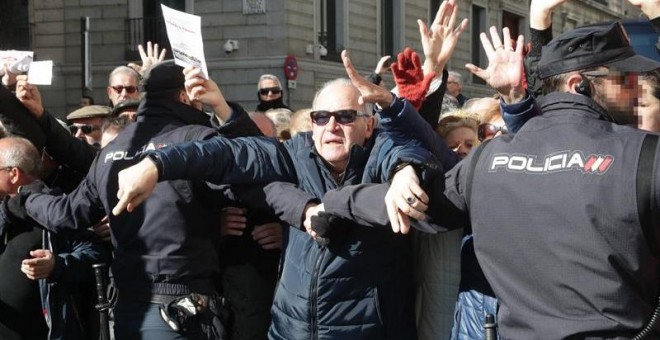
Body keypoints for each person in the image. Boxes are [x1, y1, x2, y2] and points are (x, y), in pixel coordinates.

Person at [388, 21, 660, 338]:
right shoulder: (488, 162)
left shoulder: (643, 156)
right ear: (579, 84)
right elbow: (421, 198)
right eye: (625, 80)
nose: (636, 88)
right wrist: (403, 167)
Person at [6, 60, 263, 339]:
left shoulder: (112, 150)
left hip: (131, 309)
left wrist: (28, 194)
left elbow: (65, 214)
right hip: (181, 306)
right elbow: (262, 163)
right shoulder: (198, 140)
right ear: (183, 96)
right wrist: (223, 109)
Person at [0, 137, 107, 340]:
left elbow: (97, 258)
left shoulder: (58, 212)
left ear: (13, 174)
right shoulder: (4, 211)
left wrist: (57, 265)